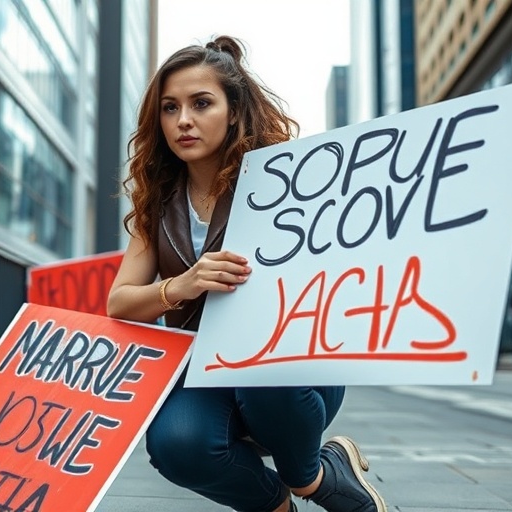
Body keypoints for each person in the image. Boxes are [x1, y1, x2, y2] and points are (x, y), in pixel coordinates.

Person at [107, 36, 386, 512]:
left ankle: (314, 477)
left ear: (234, 111)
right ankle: (275, 505)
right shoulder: (157, 202)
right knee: (176, 445)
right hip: (202, 371)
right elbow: (120, 302)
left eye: (201, 104)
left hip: (289, 366)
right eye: (170, 108)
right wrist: (183, 284)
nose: (184, 121)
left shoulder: (287, 182)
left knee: (258, 366)